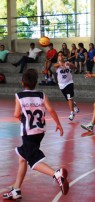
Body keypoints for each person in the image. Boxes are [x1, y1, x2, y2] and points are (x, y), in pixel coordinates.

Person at [2, 69, 69, 200]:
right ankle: (16, 190)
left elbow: (16, 114)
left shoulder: (19, 96)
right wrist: (58, 124)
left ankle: (57, 174)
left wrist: (23, 117)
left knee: (33, 161)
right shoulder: (42, 95)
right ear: (35, 82)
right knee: (23, 158)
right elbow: (51, 110)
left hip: (28, 132)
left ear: (22, 83)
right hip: (40, 132)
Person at [54, 51, 80, 121]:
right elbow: (55, 66)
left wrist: (70, 64)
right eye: (59, 55)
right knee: (68, 99)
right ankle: (74, 105)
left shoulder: (67, 63)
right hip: (61, 85)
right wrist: (61, 65)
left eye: (61, 55)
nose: (60, 56)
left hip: (69, 82)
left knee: (69, 98)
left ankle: (72, 113)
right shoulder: (56, 65)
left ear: (63, 57)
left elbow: (75, 67)